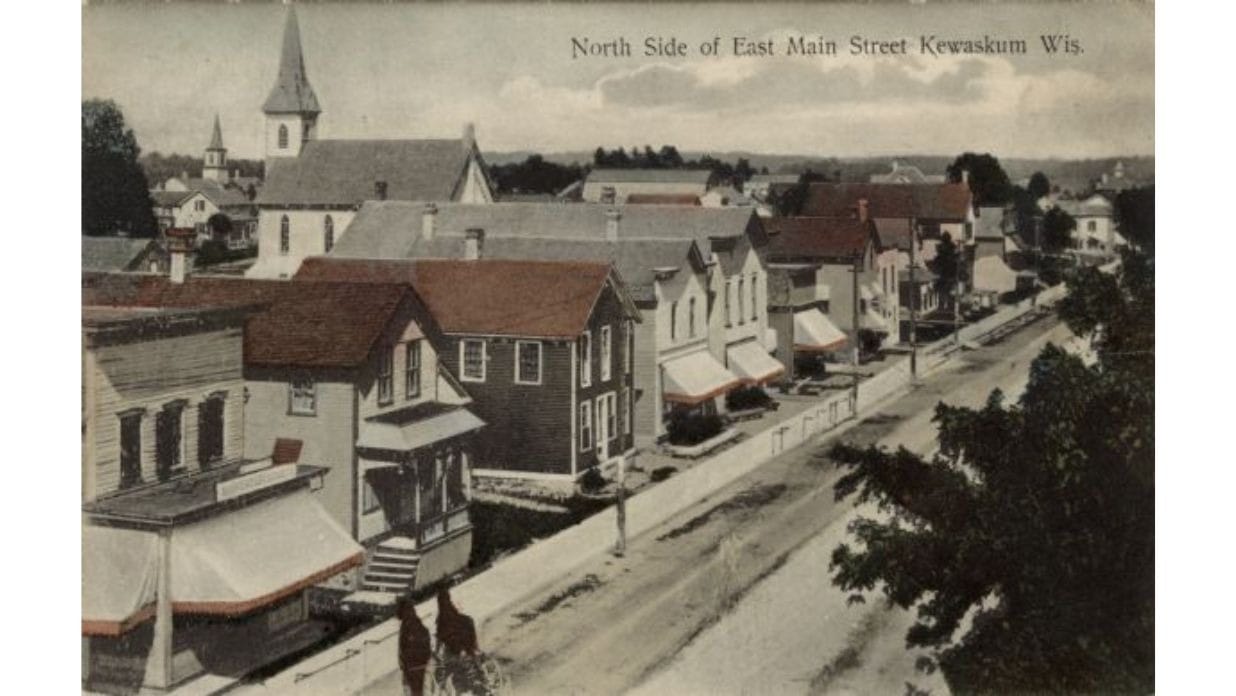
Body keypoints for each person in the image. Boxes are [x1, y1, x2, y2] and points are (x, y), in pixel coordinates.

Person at [397, 597, 433, 696]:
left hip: (411, 666)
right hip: (419, 664)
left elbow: (402, 647)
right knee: (418, 690)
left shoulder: (407, 624)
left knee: (414, 691)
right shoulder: (415, 622)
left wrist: (404, 664)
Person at [436, 588, 479, 657]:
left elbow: (441, 636)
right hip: (458, 637)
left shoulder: (442, 618)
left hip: (456, 638)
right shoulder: (449, 616)